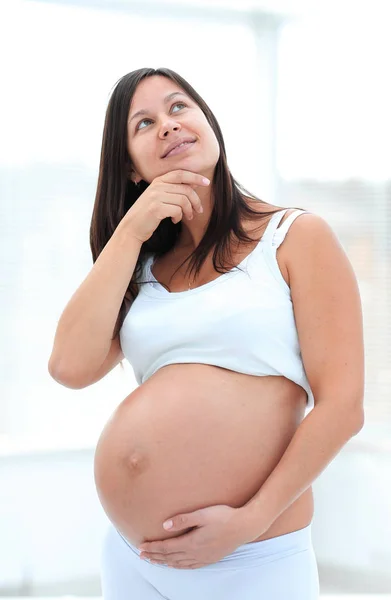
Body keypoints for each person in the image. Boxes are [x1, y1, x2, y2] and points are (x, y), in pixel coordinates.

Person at [48, 67, 365, 599]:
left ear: (208, 123)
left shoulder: (294, 237)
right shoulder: (142, 267)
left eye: (178, 108)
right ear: (130, 167)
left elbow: (343, 407)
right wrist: (131, 230)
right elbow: (68, 367)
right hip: (134, 560)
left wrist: (250, 521)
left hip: (251, 556)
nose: (168, 126)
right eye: (144, 123)